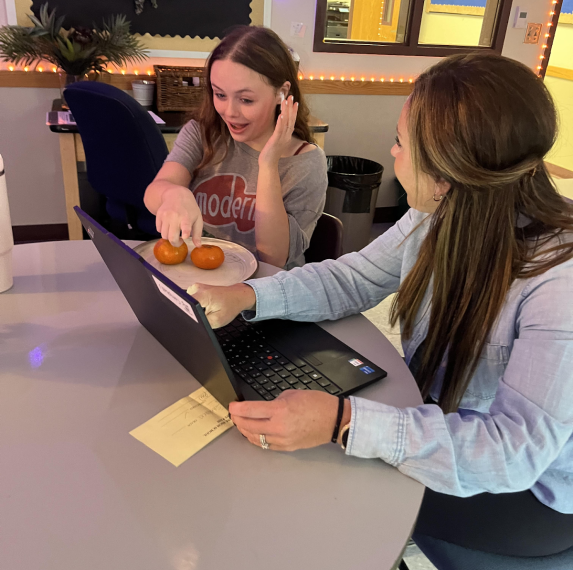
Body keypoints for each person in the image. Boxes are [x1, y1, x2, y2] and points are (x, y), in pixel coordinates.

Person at [188, 54, 573, 558]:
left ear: (447, 174)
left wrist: (342, 422)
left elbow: (512, 452)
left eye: (399, 143)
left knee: (313, 495)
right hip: (437, 419)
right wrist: (249, 296)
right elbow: (354, 277)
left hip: (525, 495)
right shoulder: (438, 213)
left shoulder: (559, 283)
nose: (391, 154)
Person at [144, 26, 327, 269]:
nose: (229, 112)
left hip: (263, 293)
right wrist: (171, 194)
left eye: (246, 99)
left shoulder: (305, 163)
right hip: (198, 282)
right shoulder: (202, 133)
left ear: (281, 94)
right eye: (220, 95)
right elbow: (153, 193)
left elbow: (273, 259)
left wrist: (268, 163)